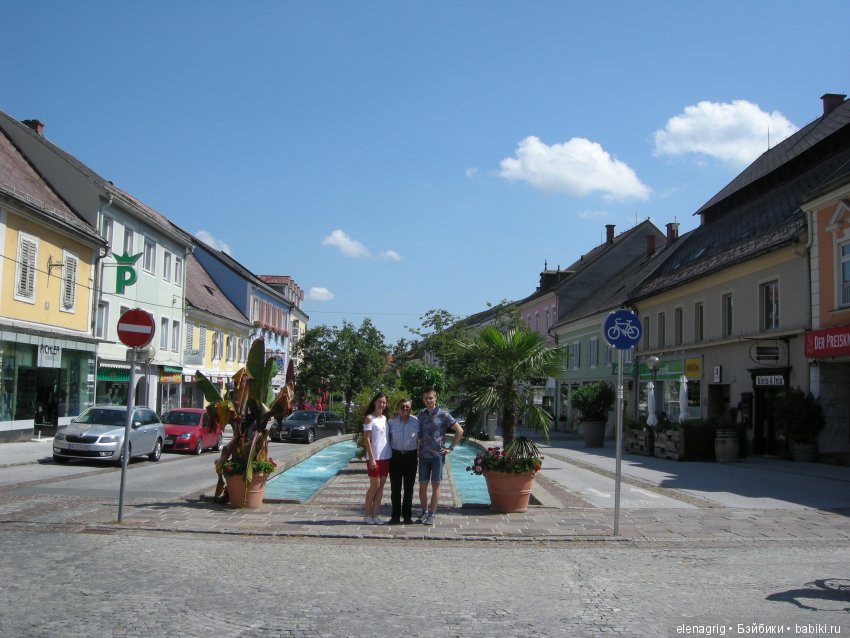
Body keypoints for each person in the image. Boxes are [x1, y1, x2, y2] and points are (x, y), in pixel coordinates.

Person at [416, 388, 463, 525]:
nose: (429, 400)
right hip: (423, 455)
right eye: (426, 398)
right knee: (423, 485)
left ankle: (432, 513)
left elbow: (459, 430)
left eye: (431, 398)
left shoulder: (443, 415)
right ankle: (424, 512)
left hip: (437, 455)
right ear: (423, 400)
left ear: (435, 398)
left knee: (436, 484)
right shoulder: (421, 414)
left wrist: (450, 448)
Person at [387, 397, 420, 524]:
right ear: (398, 408)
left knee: (409, 488)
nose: (405, 409)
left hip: (411, 457)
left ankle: (407, 516)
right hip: (395, 457)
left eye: (407, 406)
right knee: (395, 488)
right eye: (402, 407)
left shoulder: (416, 421)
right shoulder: (392, 421)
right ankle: (395, 516)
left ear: (411, 408)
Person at [362, 392, 391, 525]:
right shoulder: (369, 418)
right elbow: (366, 439)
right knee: (375, 486)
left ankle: (375, 515)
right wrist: (372, 458)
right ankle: (367, 514)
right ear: (374, 402)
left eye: (384, 402)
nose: (382, 404)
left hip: (386, 456)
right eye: (379, 401)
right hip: (374, 457)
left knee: (381, 488)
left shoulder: (385, 418)